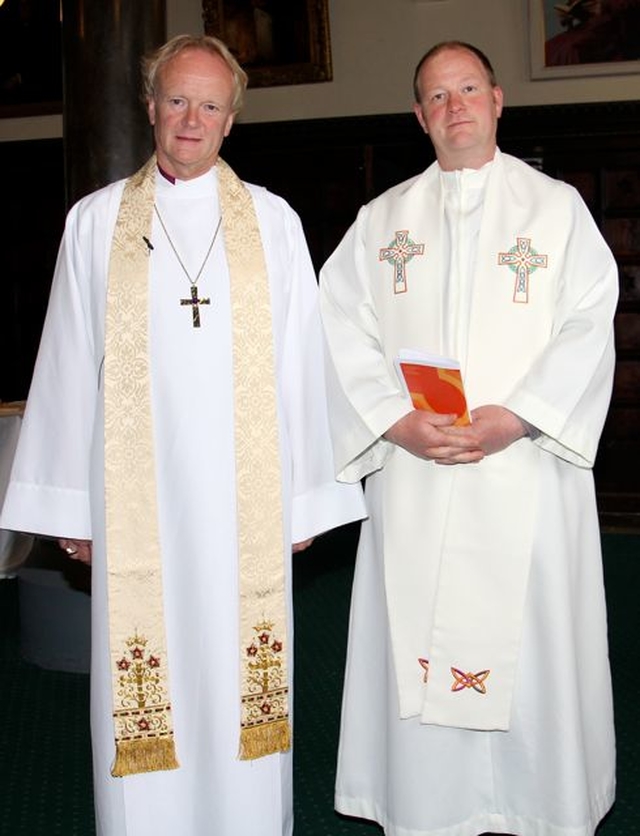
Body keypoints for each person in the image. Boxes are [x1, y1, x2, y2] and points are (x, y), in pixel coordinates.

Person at [0, 34, 365, 836]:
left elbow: (306, 361)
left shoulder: (272, 222)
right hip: (138, 504)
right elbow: (65, 362)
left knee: (239, 681)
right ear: (150, 107)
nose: (190, 118)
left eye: (208, 103)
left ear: (232, 117)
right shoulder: (95, 223)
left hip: (246, 500)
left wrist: (305, 503)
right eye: (176, 100)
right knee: (151, 679)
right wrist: (68, 510)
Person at [319, 41, 617, 836]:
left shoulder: (556, 210)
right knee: (417, 630)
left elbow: (591, 322)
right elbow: (335, 328)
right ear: (419, 116)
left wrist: (518, 415)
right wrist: (393, 420)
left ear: (497, 99)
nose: (455, 108)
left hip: (525, 471)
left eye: (467, 90)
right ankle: (431, 808)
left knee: (532, 640)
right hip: (417, 473)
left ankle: (538, 805)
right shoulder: (381, 223)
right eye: (436, 97)